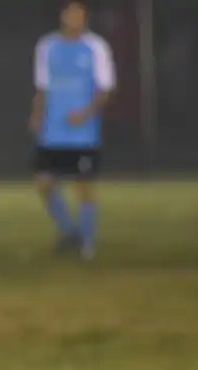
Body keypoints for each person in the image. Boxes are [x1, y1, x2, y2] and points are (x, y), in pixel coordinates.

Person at [31, 0, 116, 260]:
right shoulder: (47, 46)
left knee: (84, 186)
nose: (73, 19)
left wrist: (86, 113)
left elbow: (106, 89)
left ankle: (87, 246)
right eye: (70, 14)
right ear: (63, 17)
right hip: (53, 130)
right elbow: (42, 87)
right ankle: (70, 232)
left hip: (83, 132)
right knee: (44, 183)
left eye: (79, 14)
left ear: (85, 18)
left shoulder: (96, 47)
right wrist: (36, 115)